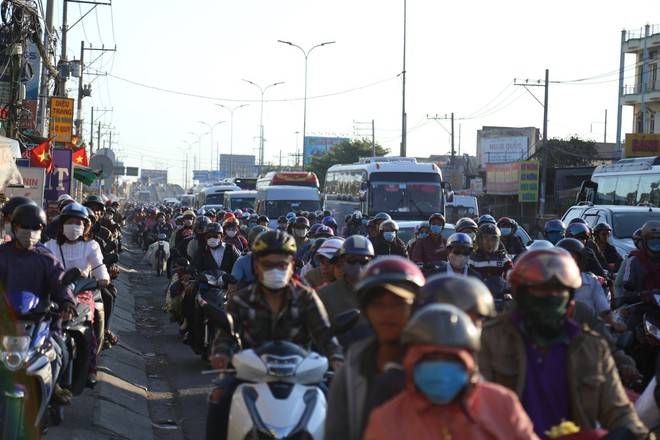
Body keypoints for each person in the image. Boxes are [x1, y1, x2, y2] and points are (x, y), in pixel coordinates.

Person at [478, 248, 648, 438]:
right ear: (522, 293)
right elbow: (473, 406)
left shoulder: (591, 347)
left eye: (558, 290)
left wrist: (635, 434)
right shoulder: (491, 340)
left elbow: (617, 410)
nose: (550, 297)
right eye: (540, 289)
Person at [206, 229, 343, 440]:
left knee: (336, 402)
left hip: (301, 373)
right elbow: (226, 335)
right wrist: (221, 354)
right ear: (257, 266)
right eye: (268, 265)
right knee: (218, 398)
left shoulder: (305, 297)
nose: (275, 270)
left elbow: (324, 333)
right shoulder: (241, 300)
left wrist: (335, 358)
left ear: (291, 266)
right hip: (250, 372)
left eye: (282, 265)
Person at [364, 304, 538, 440]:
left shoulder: (501, 405)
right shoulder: (386, 420)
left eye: (452, 359)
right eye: (430, 358)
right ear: (410, 361)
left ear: (470, 362)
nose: (441, 368)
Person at [326, 256, 425, 440]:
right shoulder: (350, 374)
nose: (387, 312)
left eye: (398, 303)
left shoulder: (438, 364)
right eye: (377, 304)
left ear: (416, 306)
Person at [0, 203, 77, 403]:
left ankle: (55, 387)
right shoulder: (2, 254)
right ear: (14, 227)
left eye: (35, 228)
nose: (30, 232)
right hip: (4, 320)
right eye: (25, 226)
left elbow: (61, 283)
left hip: (41, 323)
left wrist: (67, 302)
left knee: (60, 351)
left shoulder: (47, 259)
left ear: (42, 230)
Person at [45, 202, 110, 386]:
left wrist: (103, 278)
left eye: (79, 223)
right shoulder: (50, 245)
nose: (74, 226)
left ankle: (90, 368)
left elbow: (99, 267)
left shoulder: (91, 246)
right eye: (70, 222)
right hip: (54, 293)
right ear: (62, 224)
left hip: (82, 292)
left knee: (87, 323)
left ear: (85, 226)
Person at [556, 238, 627, 332]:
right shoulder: (550, 283)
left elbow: (604, 312)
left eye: (573, 259)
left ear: (580, 261)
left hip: (589, 335)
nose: (569, 263)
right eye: (565, 259)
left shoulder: (591, 282)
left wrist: (614, 323)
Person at [228, 225, 268, 293]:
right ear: (250, 245)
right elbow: (233, 283)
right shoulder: (242, 261)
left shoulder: (277, 261)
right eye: (258, 244)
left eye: (264, 243)